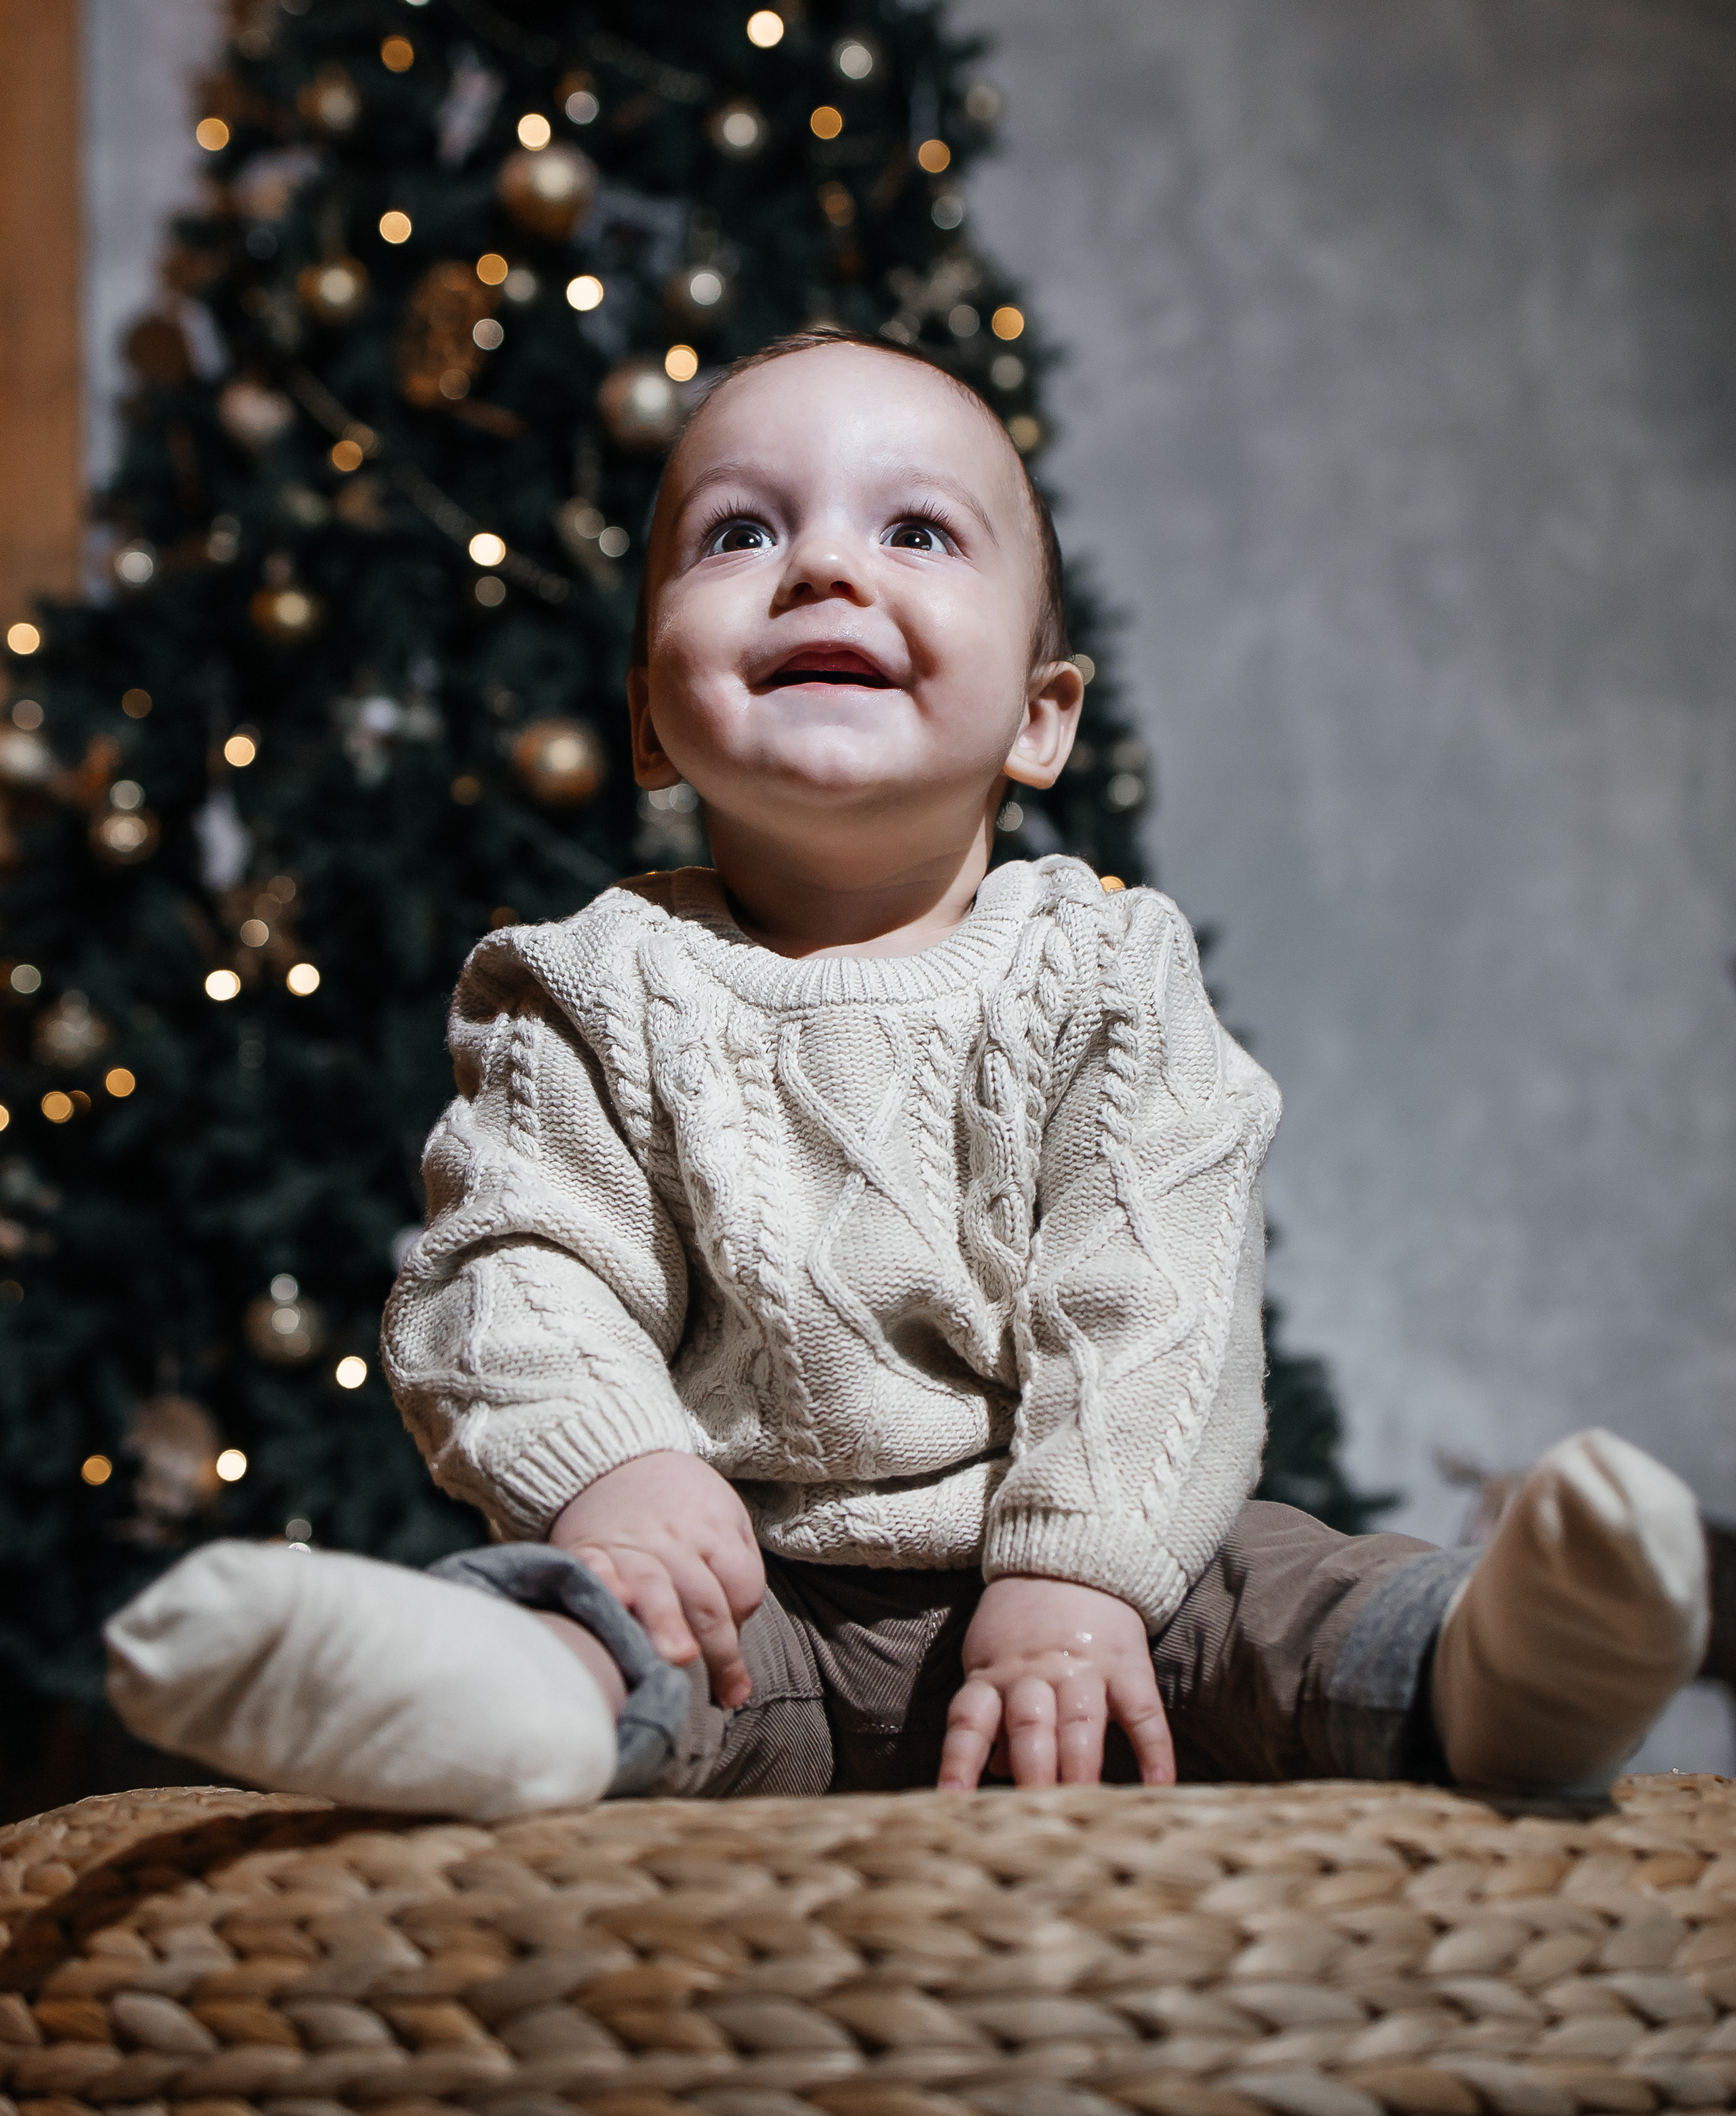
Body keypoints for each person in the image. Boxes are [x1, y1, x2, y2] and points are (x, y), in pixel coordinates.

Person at [108, 338, 1710, 1820]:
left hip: (1095, 1593)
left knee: (1278, 1596)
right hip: (746, 1595)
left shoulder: (1101, 969)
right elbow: (509, 1267)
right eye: (738, 534)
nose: (819, 565)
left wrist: (1077, 1573)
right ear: (651, 717)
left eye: (917, 534)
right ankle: (514, 1701)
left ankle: (1487, 1671)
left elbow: (1150, 1293)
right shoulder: (585, 984)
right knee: (619, 1624)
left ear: (1037, 716)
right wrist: (617, 1469)